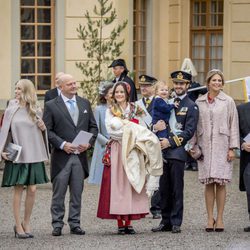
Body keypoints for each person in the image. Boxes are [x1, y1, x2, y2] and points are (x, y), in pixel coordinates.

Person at [97, 81, 162, 234]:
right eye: (116, 92)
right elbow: (111, 132)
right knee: (119, 184)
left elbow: (145, 127)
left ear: (127, 93)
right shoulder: (110, 110)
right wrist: (132, 130)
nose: (119, 95)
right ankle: (120, 222)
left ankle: (130, 222)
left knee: (133, 181)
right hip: (118, 149)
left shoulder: (136, 108)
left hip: (133, 149)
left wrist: (134, 130)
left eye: (122, 92)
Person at [43, 74, 98, 237]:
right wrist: (62, 144)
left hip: (80, 157)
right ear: (60, 87)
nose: (74, 86)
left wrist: (89, 143)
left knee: (77, 192)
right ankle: (57, 224)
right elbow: (47, 130)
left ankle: (75, 223)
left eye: (75, 83)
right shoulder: (51, 105)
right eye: (70, 84)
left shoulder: (84, 103)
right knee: (58, 193)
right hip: (61, 157)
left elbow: (93, 127)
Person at [190, 69, 239, 232]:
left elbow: (234, 125)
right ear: (208, 82)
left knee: (221, 183)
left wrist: (233, 147)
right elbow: (195, 126)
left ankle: (220, 219)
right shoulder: (199, 102)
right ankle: (209, 218)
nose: (217, 83)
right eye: (214, 80)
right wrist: (193, 145)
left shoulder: (228, 101)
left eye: (220, 81)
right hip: (205, 146)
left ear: (222, 84)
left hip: (223, 146)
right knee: (209, 183)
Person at [0, 79, 49, 239]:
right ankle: (18, 225)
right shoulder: (10, 109)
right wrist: (1, 151)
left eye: (19, 89)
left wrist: (43, 127)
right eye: (15, 88)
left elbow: (41, 132)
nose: (16, 92)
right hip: (18, 154)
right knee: (18, 189)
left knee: (33, 190)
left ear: (27, 91)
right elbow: (4, 132)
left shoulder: (36, 109)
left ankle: (27, 222)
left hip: (33, 154)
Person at [152, 70, 199, 233]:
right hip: (162, 152)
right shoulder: (167, 101)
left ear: (187, 85)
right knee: (163, 188)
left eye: (182, 83)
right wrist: (155, 130)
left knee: (176, 189)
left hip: (177, 152)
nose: (178, 86)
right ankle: (165, 221)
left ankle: (176, 221)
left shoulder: (191, 105)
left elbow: (189, 131)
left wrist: (169, 142)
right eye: (176, 83)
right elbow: (156, 122)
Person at [136, 74, 161, 219]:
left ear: (153, 87)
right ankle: (141, 206)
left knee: (156, 174)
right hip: (142, 143)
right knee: (142, 174)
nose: (143, 88)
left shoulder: (160, 102)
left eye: (147, 86)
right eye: (142, 85)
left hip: (157, 143)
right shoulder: (137, 104)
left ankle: (156, 207)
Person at [181, 58, 207, 171]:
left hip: (193, 112)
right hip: (182, 113)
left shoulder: (195, 85)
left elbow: (205, 91)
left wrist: (202, 88)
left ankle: (194, 161)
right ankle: (187, 161)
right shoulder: (181, 85)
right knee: (185, 136)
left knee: (193, 137)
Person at [88, 81, 113, 185]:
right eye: (111, 93)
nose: (115, 94)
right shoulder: (99, 109)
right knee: (105, 179)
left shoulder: (122, 108)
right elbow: (95, 130)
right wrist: (107, 142)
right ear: (105, 96)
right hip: (105, 146)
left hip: (120, 145)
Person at [237, 101, 250, 232]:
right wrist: (242, 144)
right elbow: (235, 132)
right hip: (248, 158)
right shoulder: (241, 109)